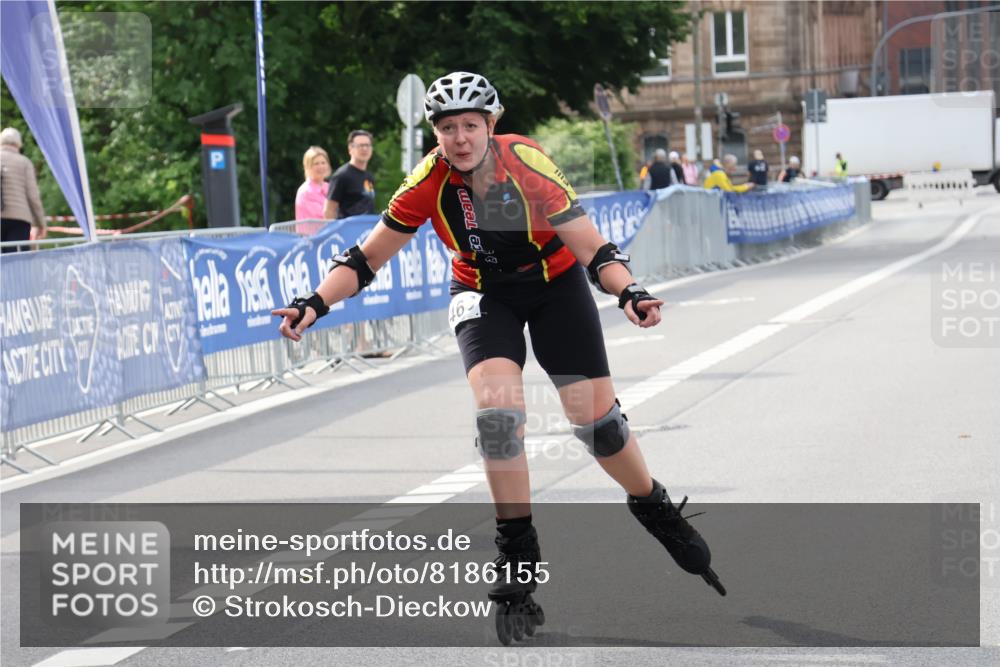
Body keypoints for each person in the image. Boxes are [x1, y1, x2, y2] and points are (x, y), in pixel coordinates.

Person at [272, 72, 725, 645]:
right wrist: (313, 302)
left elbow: (591, 247)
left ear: (491, 124)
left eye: (470, 125)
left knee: (599, 426)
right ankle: (516, 556)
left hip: (555, 285)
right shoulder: (428, 180)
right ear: (436, 134)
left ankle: (653, 505)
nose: (459, 138)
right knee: (498, 418)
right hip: (482, 292)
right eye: (447, 128)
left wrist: (629, 291)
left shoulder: (527, 163)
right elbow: (367, 257)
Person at [1, 127, 46, 253]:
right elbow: (33, 196)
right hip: (19, 219)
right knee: (16, 260)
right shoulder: (25, 163)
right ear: (18, 144)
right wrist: (40, 223)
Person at [323, 130, 376, 220]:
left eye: (367, 145)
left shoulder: (369, 176)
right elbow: (329, 210)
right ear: (350, 149)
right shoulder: (341, 176)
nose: (364, 149)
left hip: (368, 227)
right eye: (360, 145)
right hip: (348, 227)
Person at [294, 145, 332, 235]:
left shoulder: (329, 187)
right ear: (308, 167)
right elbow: (326, 217)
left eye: (323, 163)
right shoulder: (306, 191)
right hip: (312, 239)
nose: (321, 166)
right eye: (316, 164)